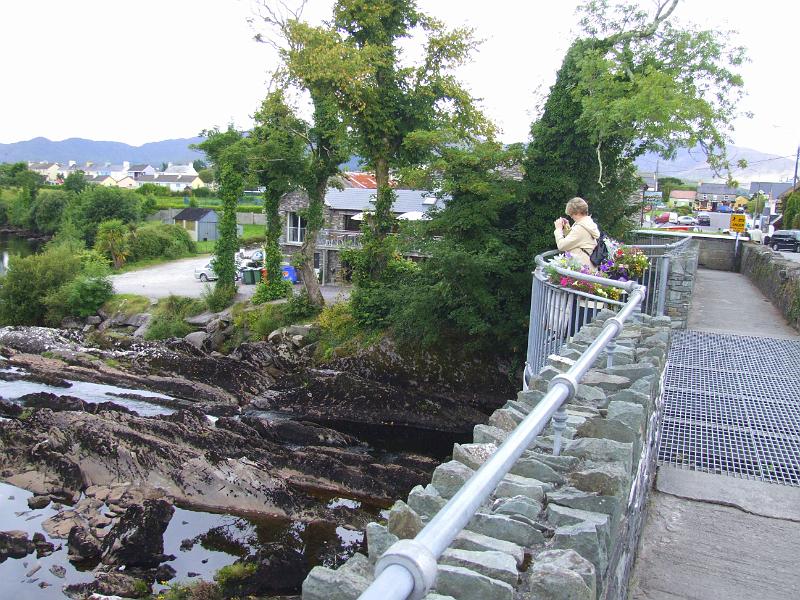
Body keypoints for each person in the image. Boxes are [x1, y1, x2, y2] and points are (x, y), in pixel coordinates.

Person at [553, 197, 600, 268]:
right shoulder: (588, 223)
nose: (571, 217)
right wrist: (566, 229)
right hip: (588, 267)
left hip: (581, 269)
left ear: (577, 213)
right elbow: (575, 241)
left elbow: (562, 245)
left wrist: (558, 229)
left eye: (571, 214)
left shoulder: (580, 228)